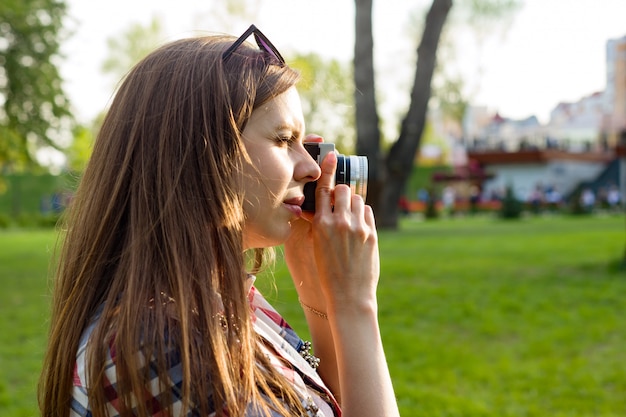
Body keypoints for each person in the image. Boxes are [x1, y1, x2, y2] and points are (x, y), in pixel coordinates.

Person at [38, 25, 399, 417]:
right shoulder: (162, 344)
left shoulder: (216, 299)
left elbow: (322, 404)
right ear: (201, 157)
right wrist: (355, 305)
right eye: (282, 140)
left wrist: (321, 297)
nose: (312, 168)